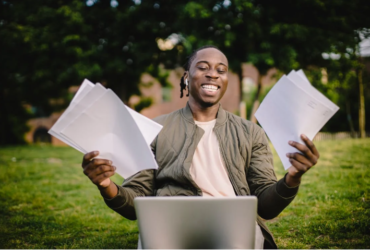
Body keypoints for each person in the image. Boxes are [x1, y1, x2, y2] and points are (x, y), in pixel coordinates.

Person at [81, 45, 320, 249]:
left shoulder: (251, 133)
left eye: (221, 70)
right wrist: (105, 185)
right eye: (203, 67)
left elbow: (266, 206)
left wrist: (292, 178)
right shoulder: (154, 130)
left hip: (233, 232)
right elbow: (135, 203)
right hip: (169, 228)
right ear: (187, 77)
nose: (213, 74)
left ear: (226, 81)